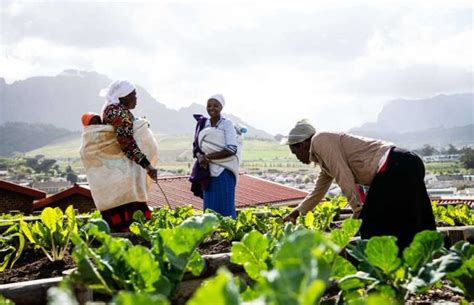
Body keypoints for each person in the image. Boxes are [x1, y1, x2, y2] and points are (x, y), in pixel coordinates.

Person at [282, 119, 436, 249]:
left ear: (302, 145)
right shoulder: (324, 160)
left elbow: (343, 175)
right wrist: (296, 213)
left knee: (371, 224)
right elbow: (318, 192)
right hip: (406, 163)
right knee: (413, 219)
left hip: (394, 165)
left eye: (295, 153)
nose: (298, 158)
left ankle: (384, 270)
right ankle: (421, 262)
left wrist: (358, 210)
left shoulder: (319, 140)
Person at [98, 80, 158, 231]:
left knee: (123, 212)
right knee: (128, 213)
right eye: (134, 95)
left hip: (118, 171)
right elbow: (127, 144)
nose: (136, 98)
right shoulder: (118, 112)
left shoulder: (116, 110)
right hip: (121, 172)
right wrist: (147, 164)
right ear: (123, 96)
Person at [191, 94, 239, 218]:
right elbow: (197, 146)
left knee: (225, 206)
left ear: (221, 107)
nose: (212, 108)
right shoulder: (203, 124)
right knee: (210, 207)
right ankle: (212, 235)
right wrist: (200, 157)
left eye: (216, 105)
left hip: (224, 170)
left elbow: (231, 149)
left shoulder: (227, 124)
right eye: (209, 105)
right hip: (207, 172)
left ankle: (228, 235)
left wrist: (208, 158)